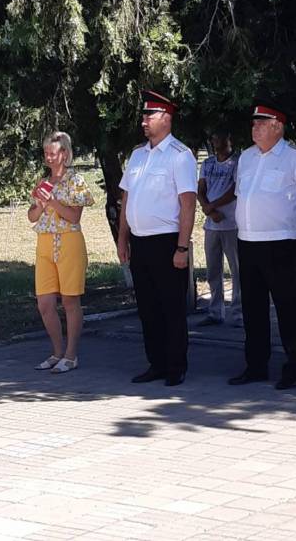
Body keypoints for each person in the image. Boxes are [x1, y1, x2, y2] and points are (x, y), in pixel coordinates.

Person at [229, 99, 296, 389]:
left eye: (261, 124)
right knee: (253, 308)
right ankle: (256, 365)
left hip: (280, 243)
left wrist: (293, 222)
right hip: (248, 242)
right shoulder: (246, 157)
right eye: (254, 123)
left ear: (277, 127)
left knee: (287, 307)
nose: (254, 128)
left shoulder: (295, 158)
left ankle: (295, 368)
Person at [117, 90, 197, 387]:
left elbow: (188, 204)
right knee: (148, 308)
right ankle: (156, 363)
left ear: (166, 117)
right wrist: (122, 238)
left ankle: (176, 366)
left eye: (149, 115)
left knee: (171, 307)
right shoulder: (138, 155)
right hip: (140, 242)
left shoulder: (180, 155)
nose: (144, 121)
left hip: (167, 242)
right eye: (143, 115)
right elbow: (127, 199)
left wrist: (182, 247)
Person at [28, 131, 94, 373]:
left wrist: (52, 201)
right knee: (44, 303)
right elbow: (32, 216)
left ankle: (71, 355)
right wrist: (40, 204)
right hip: (45, 242)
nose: (48, 157)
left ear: (64, 154)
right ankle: (56, 352)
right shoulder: (43, 181)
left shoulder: (75, 181)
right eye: (46, 153)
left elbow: (74, 217)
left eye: (52, 153)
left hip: (69, 241)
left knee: (69, 300)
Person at [197, 129, 242, 327]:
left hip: (232, 223)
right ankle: (215, 311)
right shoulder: (207, 163)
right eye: (214, 139)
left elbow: (235, 191)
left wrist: (213, 206)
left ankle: (238, 313)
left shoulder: (238, 162)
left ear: (229, 139)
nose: (216, 142)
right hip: (212, 225)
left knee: (237, 270)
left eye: (220, 138)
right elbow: (200, 189)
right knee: (213, 270)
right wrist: (208, 209)